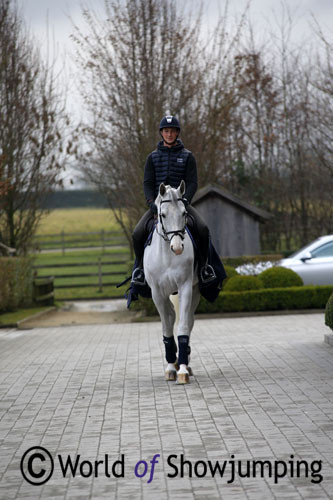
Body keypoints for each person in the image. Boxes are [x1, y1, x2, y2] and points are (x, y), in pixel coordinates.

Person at [131, 115, 216, 285]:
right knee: (137, 233)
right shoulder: (152, 158)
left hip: (180, 204)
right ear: (162, 133)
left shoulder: (187, 156)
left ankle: (204, 268)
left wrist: (185, 200)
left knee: (203, 229)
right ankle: (139, 269)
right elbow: (148, 183)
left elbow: (192, 182)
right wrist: (151, 203)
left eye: (172, 131)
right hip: (159, 206)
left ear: (177, 133)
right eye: (166, 131)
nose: (169, 134)